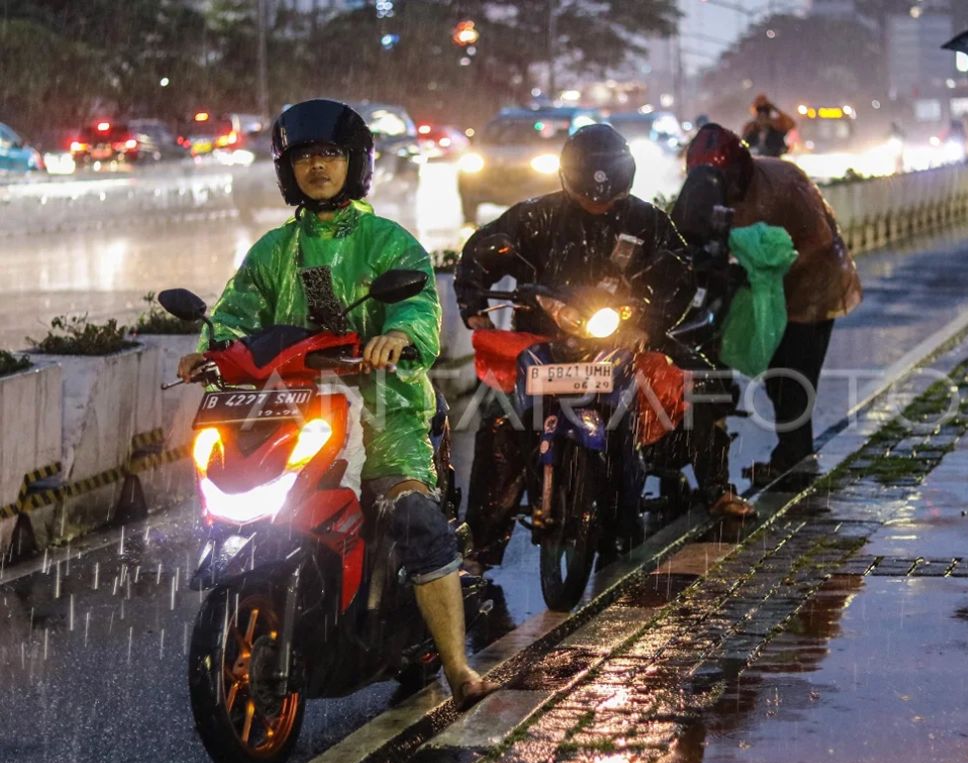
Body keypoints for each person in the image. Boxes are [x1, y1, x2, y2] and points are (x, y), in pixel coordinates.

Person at [176, 99, 495, 711]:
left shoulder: (387, 241)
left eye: (330, 155)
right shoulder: (273, 250)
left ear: (356, 165)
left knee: (415, 518)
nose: (317, 167)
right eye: (303, 156)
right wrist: (209, 350)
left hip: (386, 412)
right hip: (293, 409)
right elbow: (237, 314)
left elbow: (418, 306)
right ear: (285, 168)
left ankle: (457, 667)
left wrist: (398, 336)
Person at [455, 124, 753, 570]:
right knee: (500, 423)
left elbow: (679, 273)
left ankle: (716, 489)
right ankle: (479, 549)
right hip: (542, 342)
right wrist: (473, 301)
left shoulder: (647, 220)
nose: (597, 202)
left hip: (624, 337)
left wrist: (647, 326)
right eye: (587, 194)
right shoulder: (534, 216)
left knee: (698, 384)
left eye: (606, 195)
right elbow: (483, 251)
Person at [684, 123, 861, 484]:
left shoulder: (784, 183)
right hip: (755, 291)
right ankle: (766, 462)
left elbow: (820, 242)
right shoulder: (705, 192)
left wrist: (770, 267)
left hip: (811, 288)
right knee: (746, 372)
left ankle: (794, 464)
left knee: (792, 378)